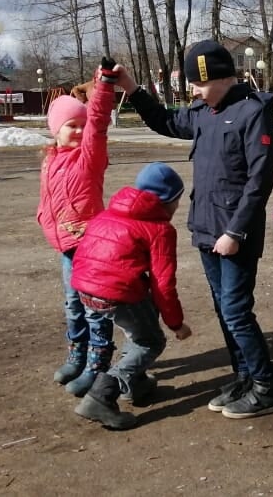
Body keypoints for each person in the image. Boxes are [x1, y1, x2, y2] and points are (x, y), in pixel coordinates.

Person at [113, 40, 273, 419]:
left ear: (219, 78)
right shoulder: (203, 112)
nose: (191, 89)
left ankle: (267, 385)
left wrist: (236, 232)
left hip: (233, 236)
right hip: (207, 229)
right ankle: (243, 376)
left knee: (238, 312)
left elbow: (260, 179)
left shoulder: (251, 112)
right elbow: (165, 121)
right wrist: (132, 89)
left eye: (196, 82)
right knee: (225, 310)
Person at [73, 162, 193, 429]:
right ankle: (102, 395)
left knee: (138, 325)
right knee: (150, 342)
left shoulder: (106, 214)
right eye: (177, 201)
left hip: (85, 288)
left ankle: (135, 384)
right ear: (168, 201)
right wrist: (176, 324)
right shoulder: (160, 229)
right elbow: (164, 284)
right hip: (116, 292)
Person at [36, 59, 118, 397]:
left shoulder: (89, 156)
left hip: (88, 245)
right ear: (55, 129)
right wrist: (43, 218)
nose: (80, 131)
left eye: (81, 124)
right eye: (71, 125)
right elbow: (47, 199)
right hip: (65, 247)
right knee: (72, 303)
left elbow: (97, 123)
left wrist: (103, 86)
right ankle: (78, 354)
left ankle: (97, 365)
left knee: (93, 308)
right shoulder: (51, 159)